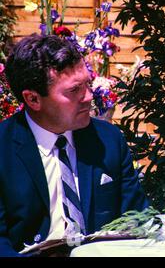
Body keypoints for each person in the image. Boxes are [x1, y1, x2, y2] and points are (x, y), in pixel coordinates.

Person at [0, 35, 148, 256]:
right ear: (33, 99)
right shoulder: (4, 148)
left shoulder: (108, 140)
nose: (88, 96)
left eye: (88, 84)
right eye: (74, 90)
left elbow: (138, 220)